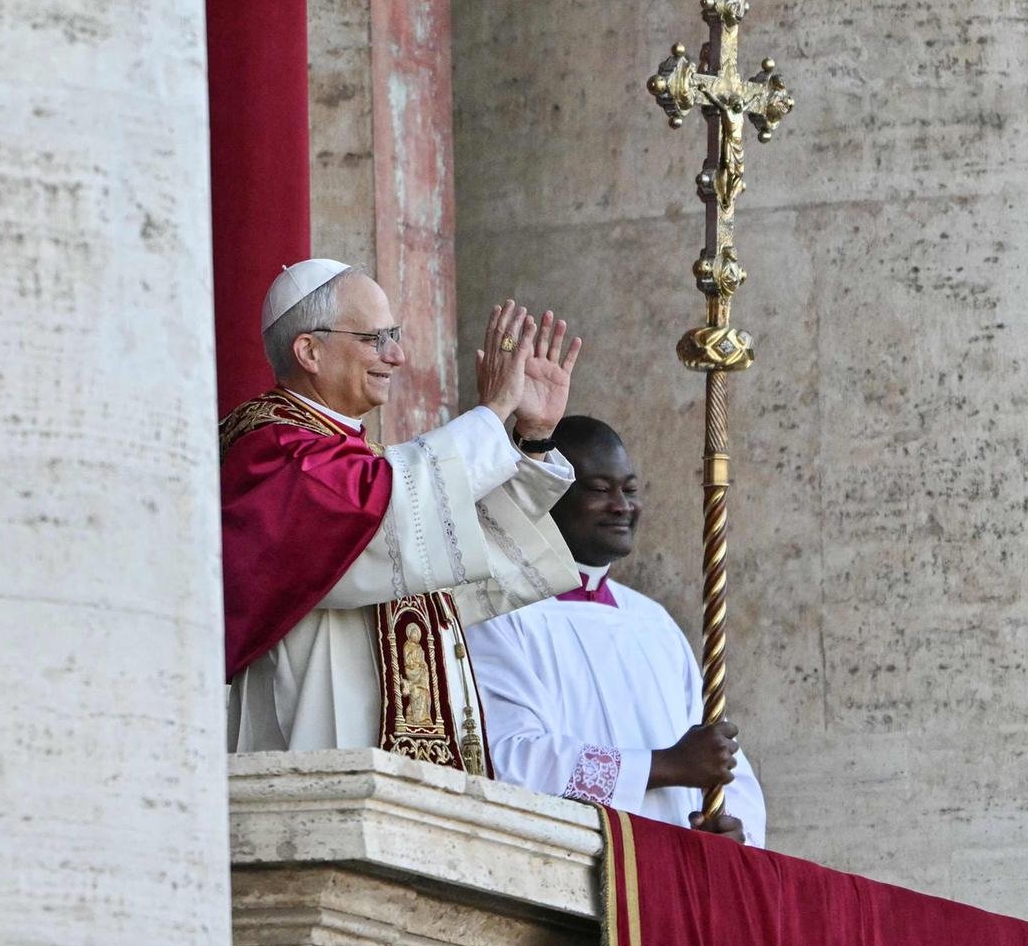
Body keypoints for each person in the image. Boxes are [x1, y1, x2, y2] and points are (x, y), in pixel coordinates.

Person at [222, 258, 584, 773]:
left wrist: (533, 437)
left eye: (393, 335)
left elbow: (456, 548)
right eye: (375, 338)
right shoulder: (273, 450)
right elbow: (384, 512)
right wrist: (491, 413)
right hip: (322, 754)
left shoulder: (356, 460)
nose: (397, 355)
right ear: (309, 351)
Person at [465, 416, 766, 845]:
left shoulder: (653, 623)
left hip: (675, 867)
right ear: (549, 496)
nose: (622, 506)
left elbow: (718, 758)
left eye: (630, 489)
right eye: (599, 490)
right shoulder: (500, 614)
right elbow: (511, 760)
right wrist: (663, 766)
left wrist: (734, 827)